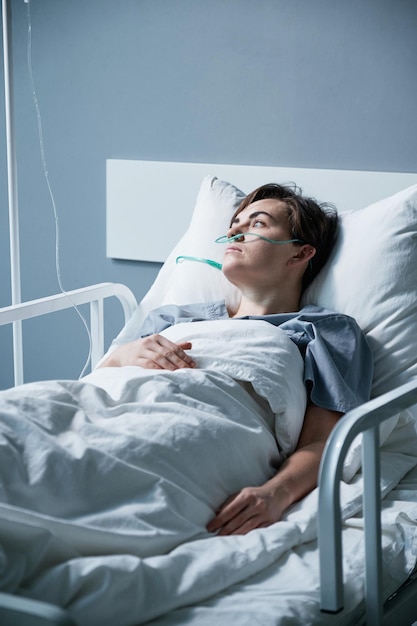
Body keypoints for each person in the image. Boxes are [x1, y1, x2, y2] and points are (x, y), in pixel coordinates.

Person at [99, 183, 373, 536]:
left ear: (300, 254)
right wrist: (124, 355)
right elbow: (99, 385)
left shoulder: (324, 330)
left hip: (194, 436)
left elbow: (325, 440)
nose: (234, 232)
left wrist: (276, 493)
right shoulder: (171, 319)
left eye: (256, 223)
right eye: (234, 224)